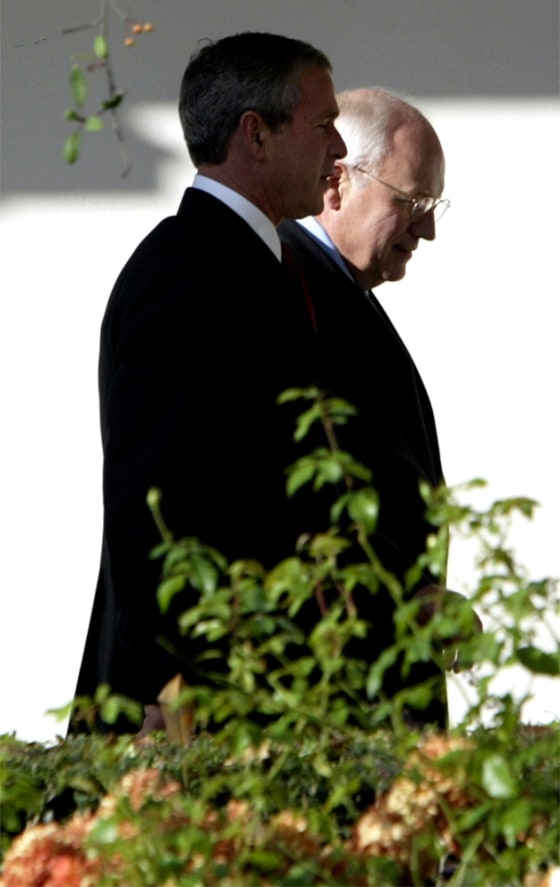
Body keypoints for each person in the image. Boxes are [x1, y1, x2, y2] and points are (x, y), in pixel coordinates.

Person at [70, 32, 347, 734]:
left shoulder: (258, 265)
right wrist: (172, 680)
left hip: (263, 697)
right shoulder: (185, 275)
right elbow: (150, 496)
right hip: (201, 711)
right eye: (323, 126)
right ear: (256, 134)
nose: (338, 150)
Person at [279, 87, 464, 728]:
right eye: (411, 203)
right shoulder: (287, 288)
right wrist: (406, 603)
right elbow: (300, 498)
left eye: (433, 205)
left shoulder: (340, 293)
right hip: (333, 697)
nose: (428, 229)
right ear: (337, 183)